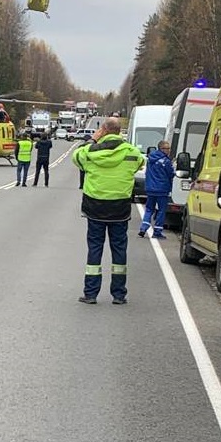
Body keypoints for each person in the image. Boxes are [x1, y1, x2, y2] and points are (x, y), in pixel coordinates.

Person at [72, 117, 145, 305]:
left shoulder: (89, 152)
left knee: (95, 249)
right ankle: (119, 294)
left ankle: (90, 293)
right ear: (120, 131)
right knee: (119, 250)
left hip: (95, 207)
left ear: (103, 130)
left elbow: (76, 158)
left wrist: (93, 140)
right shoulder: (131, 152)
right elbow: (140, 163)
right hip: (120, 208)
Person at [139, 139, 175, 239]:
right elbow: (170, 174)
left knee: (149, 209)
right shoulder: (166, 161)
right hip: (162, 189)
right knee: (161, 211)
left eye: (169, 148)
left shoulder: (150, 159)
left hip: (150, 188)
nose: (168, 150)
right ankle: (157, 231)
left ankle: (143, 228)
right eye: (166, 148)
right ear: (161, 148)